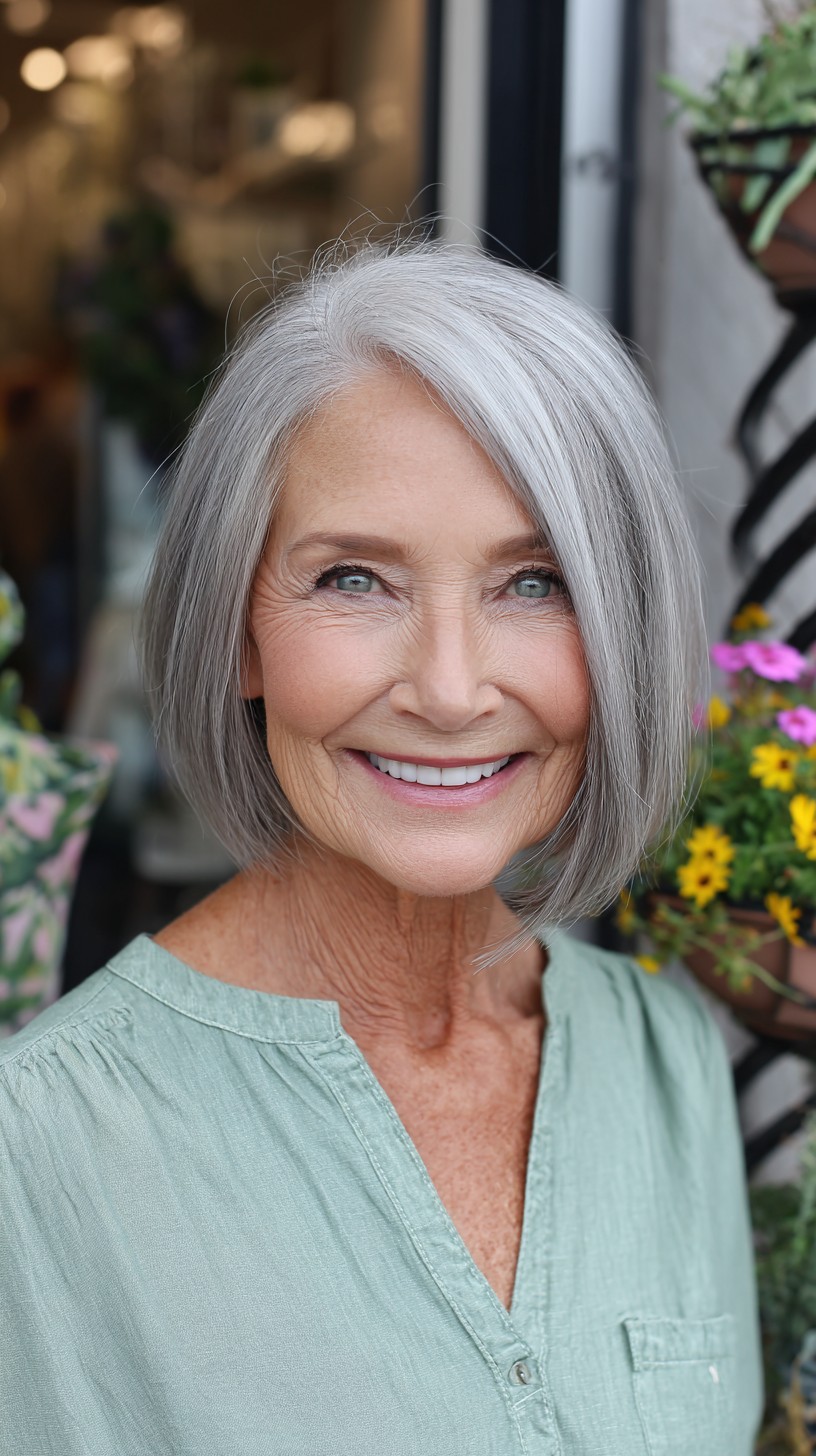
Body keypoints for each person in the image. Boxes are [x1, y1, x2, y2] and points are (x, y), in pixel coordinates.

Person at [0, 237, 763, 1455]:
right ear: (238, 629)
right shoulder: (40, 1150)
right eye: (355, 578)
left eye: (535, 583)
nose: (453, 689)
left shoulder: (661, 1059)